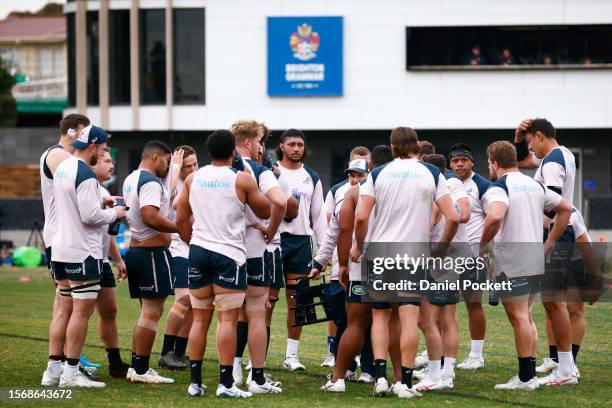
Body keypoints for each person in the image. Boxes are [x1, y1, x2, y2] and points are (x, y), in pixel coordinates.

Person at [351, 127, 460, 399]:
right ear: (416, 145)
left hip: (380, 253)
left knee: (380, 316)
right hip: (413, 254)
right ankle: (405, 382)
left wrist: (357, 246)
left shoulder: (377, 173)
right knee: (409, 317)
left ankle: (379, 378)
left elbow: (362, 217)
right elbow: (454, 217)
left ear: (392, 145)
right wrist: (441, 247)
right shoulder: (432, 172)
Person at [175, 129, 271, 398]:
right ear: (233, 152)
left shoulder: (194, 177)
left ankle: (195, 383)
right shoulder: (240, 178)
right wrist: (252, 179)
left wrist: (190, 242)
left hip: (198, 251)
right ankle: (226, 384)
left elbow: (180, 216)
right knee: (227, 319)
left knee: (199, 319)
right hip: (228, 254)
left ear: (208, 152)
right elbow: (265, 210)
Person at [480, 141, 572, 391]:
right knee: (526, 316)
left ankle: (525, 378)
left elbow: (496, 216)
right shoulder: (535, 185)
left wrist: (481, 244)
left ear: (495, 163)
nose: (489, 166)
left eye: (489, 162)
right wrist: (550, 242)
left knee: (519, 317)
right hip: (533, 260)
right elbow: (566, 208)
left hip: (512, 263)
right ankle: (528, 373)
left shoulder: (498, 188)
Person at [51, 125, 126, 388]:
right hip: (81, 252)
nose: (105, 154)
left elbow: (77, 206)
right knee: (80, 314)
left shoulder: (64, 167)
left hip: (61, 248)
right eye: (103, 149)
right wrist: (115, 214)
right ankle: (71, 374)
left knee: (63, 311)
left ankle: (52, 372)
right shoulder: (84, 172)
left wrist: (100, 204)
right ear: (93, 147)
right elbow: (90, 217)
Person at [317, 146, 393, 392]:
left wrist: (347, 260)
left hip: (360, 264)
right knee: (394, 323)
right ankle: (398, 380)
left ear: (371, 168)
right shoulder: (398, 189)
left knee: (357, 323)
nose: (356, 178)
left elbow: (342, 230)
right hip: (396, 262)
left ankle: (341, 378)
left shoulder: (354, 193)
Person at [513, 118, 580, 385]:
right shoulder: (561, 153)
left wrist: (532, 225)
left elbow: (552, 203)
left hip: (556, 232)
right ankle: (563, 365)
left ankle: (567, 369)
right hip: (562, 231)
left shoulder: (551, 162)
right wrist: (518, 139)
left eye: (530, 141)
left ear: (539, 136)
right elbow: (521, 162)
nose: (530, 148)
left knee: (553, 301)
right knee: (552, 301)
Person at [229, 120, 286, 394]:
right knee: (256, 313)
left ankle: (228, 373)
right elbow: (282, 202)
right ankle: (257, 377)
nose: (263, 147)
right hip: (252, 250)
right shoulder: (258, 170)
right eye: (261, 141)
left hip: (223, 251)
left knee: (227, 315)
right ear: (251, 143)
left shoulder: (211, 170)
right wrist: (271, 230)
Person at [40, 113, 92, 387]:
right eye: (84, 133)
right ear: (72, 131)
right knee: (69, 306)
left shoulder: (65, 157)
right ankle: (67, 367)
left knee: (66, 304)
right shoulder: (58, 156)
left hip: (61, 237)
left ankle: (58, 367)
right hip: (62, 238)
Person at [123, 140, 178, 384]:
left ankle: (137, 366)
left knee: (147, 312)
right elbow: (149, 215)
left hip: (138, 251)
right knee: (151, 313)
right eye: (167, 159)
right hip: (151, 254)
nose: (168, 165)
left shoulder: (131, 178)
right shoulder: (150, 182)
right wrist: (181, 227)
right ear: (156, 158)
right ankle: (142, 369)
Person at [415, 154, 470, 392]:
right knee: (446, 317)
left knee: (429, 318)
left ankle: (440, 373)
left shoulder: (439, 189)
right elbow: (464, 213)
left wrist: (438, 247)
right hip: (455, 256)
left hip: (442, 259)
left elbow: (444, 219)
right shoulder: (455, 184)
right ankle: (446, 371)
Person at [276, 129, 326, 371]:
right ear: (282, 147)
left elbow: (318, 217)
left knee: (297, 301)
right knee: (266, 300)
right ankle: (257, 360)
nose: (296, 148)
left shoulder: (312, 177)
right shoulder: (270, 172)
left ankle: (291, 356)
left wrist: (324, 253)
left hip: (300, 243)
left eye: (300, 144)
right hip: (273, 243)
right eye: (292, 144)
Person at [321, 146, 371, 368]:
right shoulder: (338, 192)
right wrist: (321, 260)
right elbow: (332, 230)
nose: (355, 179)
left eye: (360, 175)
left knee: (366, 321)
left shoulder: (375, 194)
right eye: (352, 175)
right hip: (341, 268)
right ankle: (347, 365)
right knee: (342, 318)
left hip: (365, 268)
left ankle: (369, 368)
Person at [448, 143, 492, 370]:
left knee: (473, 304)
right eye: (455, 161)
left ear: (472, 162)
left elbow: (494, 218)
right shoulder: (444, 184)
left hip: (473, 256)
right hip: (447, 256)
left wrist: (487, 250)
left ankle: (476, 355)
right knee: (443, 306)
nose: (460, 164)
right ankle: (436, 352)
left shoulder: (482, 185)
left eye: (463, 160)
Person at [159, 145, 199, 370]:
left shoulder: (199, 180)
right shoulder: (172, 184)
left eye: (195, 163)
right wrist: (174, 168)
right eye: (187, 165)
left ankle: (179, 352)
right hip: (178, 248)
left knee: (196, 303)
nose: (193, 168)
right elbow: (167, 196)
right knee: (183, 298)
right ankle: (165, 352)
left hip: (197, 248)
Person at [92, 148, 131, 378]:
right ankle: (69, 363)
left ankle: (115, 363)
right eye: (106, 161)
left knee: (110, 310)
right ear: (92, 163)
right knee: (78, 313)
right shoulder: (85, 188)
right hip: (84, 259)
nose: (111, 165)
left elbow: (108, 233)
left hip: (102, 260)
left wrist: (118, 260)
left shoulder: (105, 191)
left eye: (112, 161)